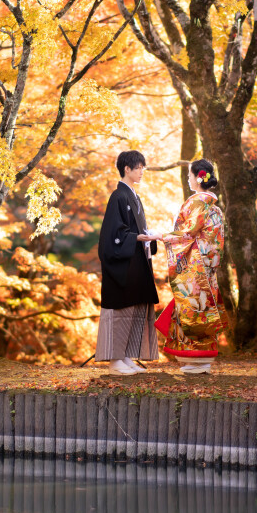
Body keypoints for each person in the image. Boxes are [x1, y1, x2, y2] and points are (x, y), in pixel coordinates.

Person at [153, 159, 229, 374]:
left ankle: (198, 357)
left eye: (189, 174)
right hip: (206, 264)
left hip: (195, 265)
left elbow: (188, 232)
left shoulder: (199, 201)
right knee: (201, 307)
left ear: (198, 177)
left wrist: (162, 236)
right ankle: (197, 358)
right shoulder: (211, 203)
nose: (187, 178)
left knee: (194, 308)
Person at [95, 150, 160, 375]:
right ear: (127, 169)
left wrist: (146, 238)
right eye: (139, 167)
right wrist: (136, 238)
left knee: (135, 306)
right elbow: (113, 234)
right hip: (122, 264)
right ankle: (114, 361)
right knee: (121, 310)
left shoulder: (133, 196)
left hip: (135, 261)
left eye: (143, 167)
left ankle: (125, 356)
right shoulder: (118, 196)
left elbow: (136, 231)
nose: (142, 171)